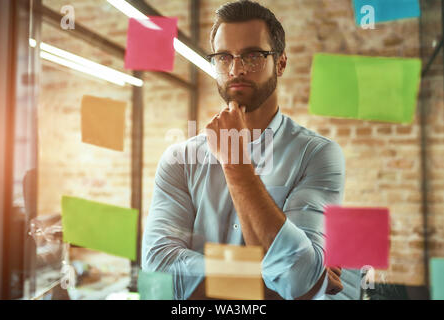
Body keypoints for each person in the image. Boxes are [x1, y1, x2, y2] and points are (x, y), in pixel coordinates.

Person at [142, 0, 345, 300]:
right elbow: (159, 267)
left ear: (281, 63)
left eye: (253, 56)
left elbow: (299, 280)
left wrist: (234, 160)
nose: (236, 69)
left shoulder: (317, 155)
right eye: (224, 57)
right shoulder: (179, 160)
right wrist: (278, 279)